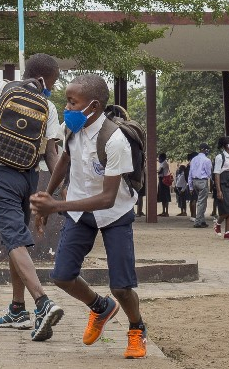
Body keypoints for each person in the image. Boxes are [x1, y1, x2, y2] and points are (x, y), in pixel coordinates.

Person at [32, 73, 148, 359]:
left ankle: (136, 328)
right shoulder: (73, 128)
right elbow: (64, 161)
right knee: (62, 276)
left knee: (121, 287)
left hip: (114, 213)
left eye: (72, 102)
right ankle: (100, 307)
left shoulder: (115, 140)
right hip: (78, 212)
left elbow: (108, 198)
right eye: (67, 101)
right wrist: (48, 196)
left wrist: (55, 207)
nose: (67, 107)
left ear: (93, 106)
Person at [0, 53, 64, 340]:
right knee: (16, 239)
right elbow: (51, 152)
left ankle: (42, 302)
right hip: (29, 178)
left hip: (1, 175)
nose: (53, 88)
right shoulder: (48, 106)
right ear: (43, 78)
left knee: (13, 238)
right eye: (53, 82)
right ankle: (18, 308)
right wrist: (57, 190)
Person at [212, 136, 229, 240]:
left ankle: (227, 232)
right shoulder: (220, 157)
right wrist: (218, 190)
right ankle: (218, 223)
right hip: (224, 183)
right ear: (227, 145)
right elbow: (217, 174)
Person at [187, 144, 212, 228]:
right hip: (202, 181)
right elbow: (209, 173)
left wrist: (190, 186)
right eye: (207, 149)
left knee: (201, 202)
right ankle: (197, 222)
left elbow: (190, 173)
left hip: (194, 181)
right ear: (205, 150)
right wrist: (214, 181)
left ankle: (202, 220)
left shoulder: (193, 159)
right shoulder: (207, 160)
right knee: (202, 203)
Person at [156, 153, 171, 217]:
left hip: (164, 180)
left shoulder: (164, 163)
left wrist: (155, 171)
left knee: (165, 196)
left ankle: (166, 212)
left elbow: (160, 171)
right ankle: (163, 211)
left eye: (159, 157)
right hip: (161, 180)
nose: (158, 159)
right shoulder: (162, 163)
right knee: (162, 196)